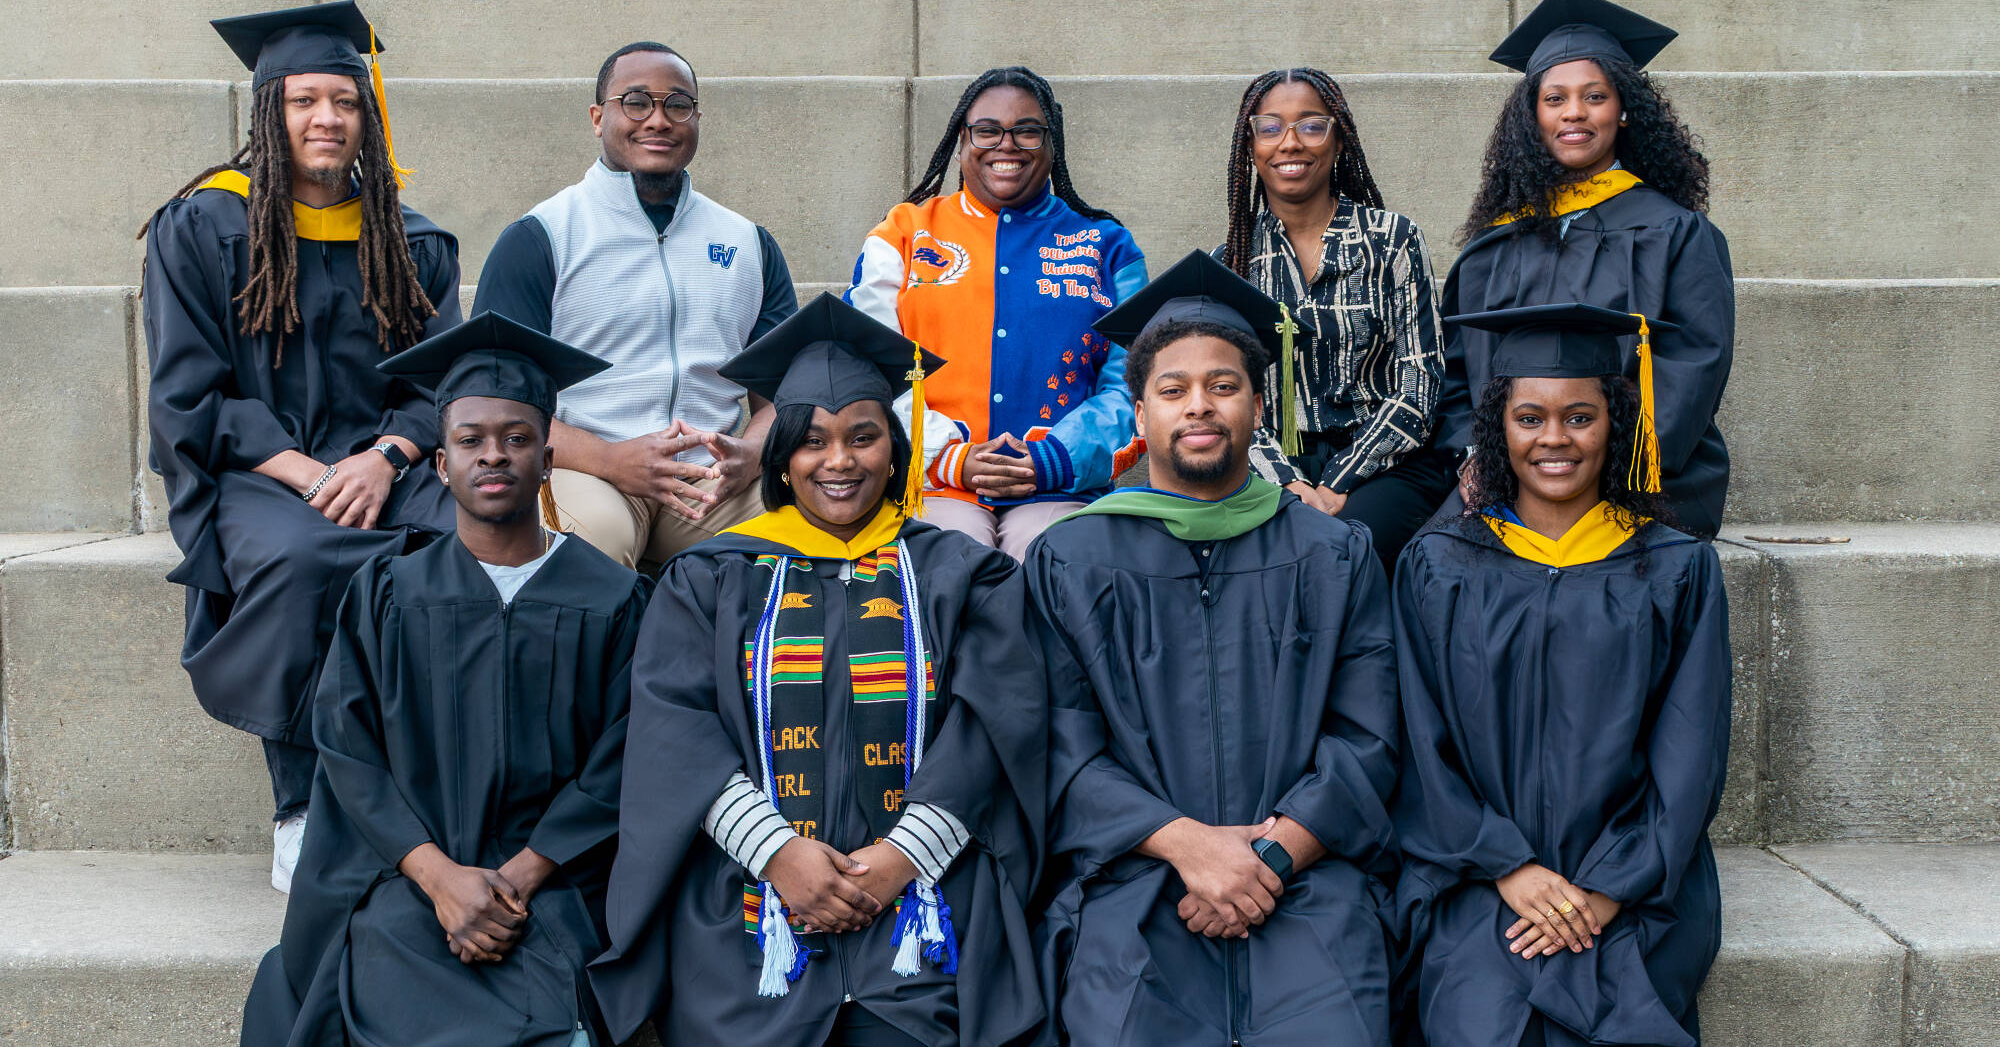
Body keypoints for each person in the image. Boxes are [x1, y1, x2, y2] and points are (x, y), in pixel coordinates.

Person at [589, 297, 1048, 1047]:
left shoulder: (963, 575)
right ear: (781, 460)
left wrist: (903, 856)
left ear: (895, 451)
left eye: (863, 437)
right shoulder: (710, 577)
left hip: (920, 917)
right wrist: (777, 853)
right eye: (812, 441)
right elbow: (676, 731)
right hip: (751, 920)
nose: (839, 461)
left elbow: (994, 725)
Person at [241, 312, 650, 1046]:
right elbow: (349, 749)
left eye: (517, 438)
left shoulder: (612, 598)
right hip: (410, 885)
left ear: (549, 457)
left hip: (555, 884)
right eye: (470, 440)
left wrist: (518, 876)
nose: (493, 455)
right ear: (440, 463)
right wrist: (438, 878)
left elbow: (624, 756)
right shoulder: (388, 593)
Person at [1030, 250, 1402, 1046]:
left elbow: (1368, 737)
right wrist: (1189, 846)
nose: (1199, 406)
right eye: (1173, 389)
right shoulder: (1072, 559)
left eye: (1223, 385)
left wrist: (1267, 857)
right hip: (1139, 881)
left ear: (1260, 406)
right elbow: (1060, 745)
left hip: (1306, 881)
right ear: (1139, 413)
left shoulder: (1332, 554)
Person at [139, 0, 461, 892]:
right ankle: (302, 806)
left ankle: (432, 792)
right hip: (256, 468)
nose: (327, 118)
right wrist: (307, 468)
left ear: (368, 115)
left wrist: (386, 455)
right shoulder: (205, 225)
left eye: (346, 101)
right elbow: (189, 393)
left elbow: (444, 383)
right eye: (304, 100)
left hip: (385, 463)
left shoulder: (408, 237)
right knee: (306, 556)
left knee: (463, 548)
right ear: (268, 114)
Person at [1393, 304, 1732, 1047]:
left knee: (1619, 1011)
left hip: (1637, 887)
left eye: (1579, 416)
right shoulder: (1439, 566)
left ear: (1614, 423)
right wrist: (1508, 866)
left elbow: (1690, 753)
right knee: (1480, 1015)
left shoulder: (1674, 569)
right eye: (1529, 417)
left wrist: (1606, 890)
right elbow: (1423, 743)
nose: (1553, 438)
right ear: (1497, 427)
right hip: (1479, 878)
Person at [474, 40, 798, 570]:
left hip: (708, 479)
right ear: (599, 118)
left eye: (677, 104)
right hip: (586, 469)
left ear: (696, 118)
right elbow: (499, 397)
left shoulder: (745, 243)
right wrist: (609, 459)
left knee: (811, 525)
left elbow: (781, 393)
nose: (659, 119)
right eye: (637, 102)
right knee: (589, 548)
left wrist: (752, 453)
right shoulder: (544, 236)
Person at [1435, 0, 1734, 537]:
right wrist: (1475, 454)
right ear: (1533, 116)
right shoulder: (1495, 245)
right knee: (1432, 556)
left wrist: (1607, 469)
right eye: (1554, 98)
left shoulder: (1674, 231)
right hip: (1512, 472)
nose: (1574, 113)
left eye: (1595, 96)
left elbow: (1694, 364)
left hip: (1640, 477)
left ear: (1624, 111)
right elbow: (1458, 371)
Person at [846, 66, 1148, 560]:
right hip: (934, 484)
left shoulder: (1109, 246)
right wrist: (946, 457)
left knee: (1053, 561)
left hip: (1059, 487)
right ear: (961, 141)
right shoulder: (904, 232)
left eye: (1027, 131)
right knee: (947, 563)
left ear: (1053, 144)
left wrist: (1054, 459)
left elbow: (1136, 383)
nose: (1005, 145)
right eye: (987, 130)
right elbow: (866, 368)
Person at [1218, 67, 1450, 573]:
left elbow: (1421, 382)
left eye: (1311, 125)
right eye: (1271, 127)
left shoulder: (1392, 241)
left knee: (1343, 552)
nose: (1291, 143)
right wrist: (1287, 482)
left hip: (1385, 464)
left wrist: (1338, 480)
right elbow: (1226, 396)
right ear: (1251, 146)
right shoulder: (1231, 263)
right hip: (1267, 467)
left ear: (1339, 138)